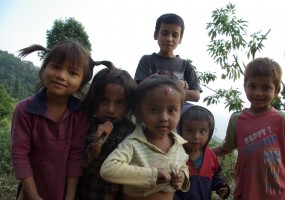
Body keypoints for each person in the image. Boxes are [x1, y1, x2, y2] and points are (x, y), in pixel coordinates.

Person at [10, 40, 105, 200]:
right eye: (55, 66)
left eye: (72, 73)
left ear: (82, 82)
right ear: (45, 67)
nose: (61, 75)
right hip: (30, 193)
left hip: (63, 194)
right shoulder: (25, 110)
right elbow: (20, 156)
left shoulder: (80, 115)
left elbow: (75, 159)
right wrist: (34, 196)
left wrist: (69, 197)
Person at [213, 57, 285, 200]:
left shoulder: (283, 119)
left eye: (266, 87)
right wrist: (201, 152)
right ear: (245, 86)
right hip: (246, 192)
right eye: (252, 86)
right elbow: (226, 148)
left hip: (277, 194)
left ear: (276, 90)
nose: (258, 93)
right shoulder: (237, 119)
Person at [100, 75, 190, 200]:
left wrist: (182, 175)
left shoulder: (178, 144)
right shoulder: (133, 143)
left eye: (171, 110)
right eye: (154, 110)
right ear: (139, 113)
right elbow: (108, 169)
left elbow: (183, 165)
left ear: (180, 112)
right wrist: (152, 174)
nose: (164, 117)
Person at [76, 65, 137, 200]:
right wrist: (96, 147)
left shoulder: (129, 132)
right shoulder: (88, 125)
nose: (110, 109)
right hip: (87, 194)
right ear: (95, 99)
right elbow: (82, 168)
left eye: (119, 103)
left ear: (128, 105)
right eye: (104, 100)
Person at [134, 13, 202, 102]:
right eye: (165, 33)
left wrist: (156, 86)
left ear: (180, 39)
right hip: (152, 108)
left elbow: (196, 96)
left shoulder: (185, 65)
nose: (169, 39)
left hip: (177, 112)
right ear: (156, 35)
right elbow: (140, 89)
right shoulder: (147, 60)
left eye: (175, 35)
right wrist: (177, 86)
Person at [174, 103, 230, 200]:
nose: (196, 136)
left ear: (209, 133)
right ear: (180, 130)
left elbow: (215, 176)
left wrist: (220, 187)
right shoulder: (174, 155)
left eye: (202, 131)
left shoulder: (211, 156)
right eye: (190, 130)